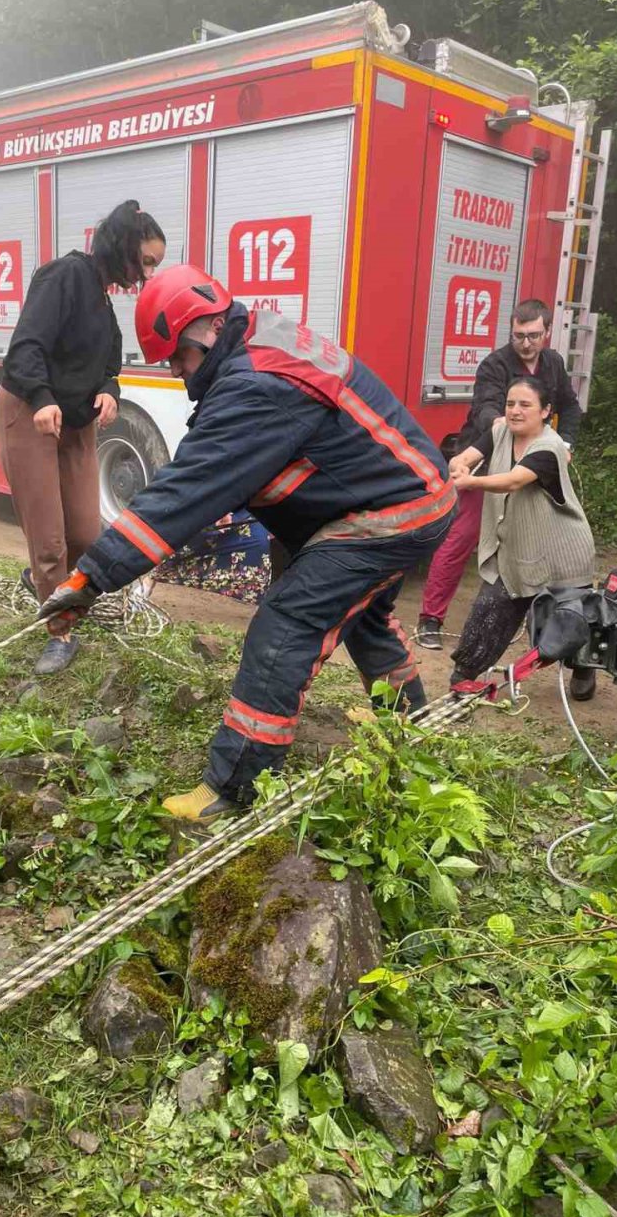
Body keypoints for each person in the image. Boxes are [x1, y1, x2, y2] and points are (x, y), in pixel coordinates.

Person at [36, 264, 456, 822]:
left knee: (286, 623)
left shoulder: (256, 385)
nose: (180, 374)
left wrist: (91, 577)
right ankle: (412, 726)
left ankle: (236, 788)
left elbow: (188, 488)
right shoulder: (257, 341)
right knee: (366, 616)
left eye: (179, 360)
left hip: (390, 511)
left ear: (204, 331)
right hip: (402, 493)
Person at [0, 199, 166, 675]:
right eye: (147, 261)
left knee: (86, 533)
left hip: (74, 420)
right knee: (49, 537)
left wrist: (110, 391)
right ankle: (58, 632)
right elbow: (25, 345)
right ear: (124, 247)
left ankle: (41, 580)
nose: (149, 274)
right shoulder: (64, 276)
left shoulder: (103, 295)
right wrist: (43, 396)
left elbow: (109, 362)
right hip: (31, 412)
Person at [416, 299, 583, 654]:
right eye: (519, 336)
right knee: (464, 535)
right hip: (490, 452)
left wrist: (565, 443)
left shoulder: (553, 363)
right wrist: (502, 429)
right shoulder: (494, 364)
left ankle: (554, 630)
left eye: (534, 335)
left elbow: (570, 407)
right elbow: (486, 408)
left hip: (535, 457)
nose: (526, 343)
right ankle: (429, 619)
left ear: (547, 332)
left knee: (542, 539)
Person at [447, 377, 595, 693]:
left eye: (525, 405)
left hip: (562, 554)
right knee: (489, 609)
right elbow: (468, 456)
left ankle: (583, 671)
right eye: (510, 403)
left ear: (545, 411)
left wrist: (469, 483)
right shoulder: (500, 431)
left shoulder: (551, 446)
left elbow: (515, 480)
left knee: (570, 621)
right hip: (516, 549)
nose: (515, 411)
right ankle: (464, 676)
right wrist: (459, 465)